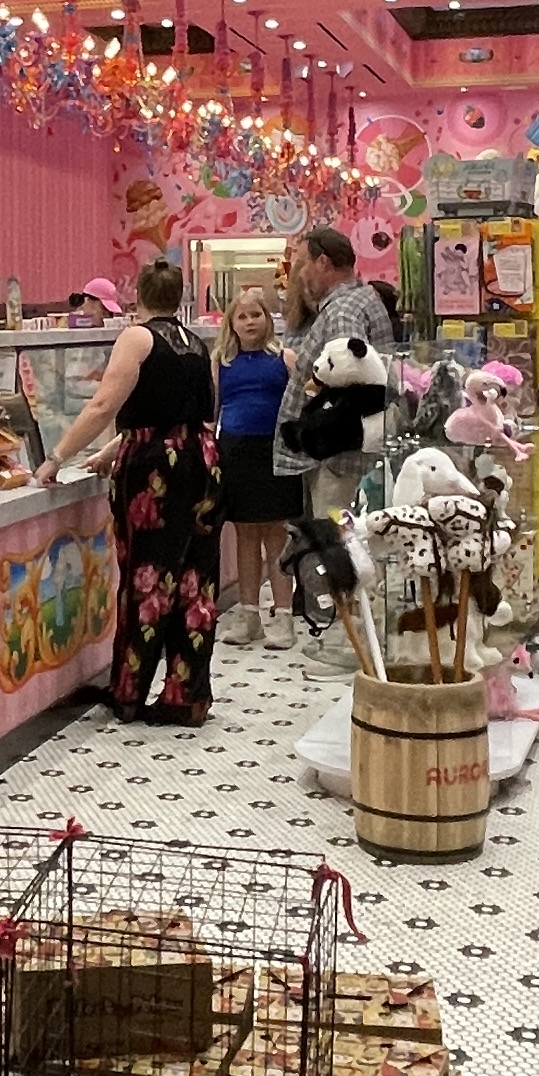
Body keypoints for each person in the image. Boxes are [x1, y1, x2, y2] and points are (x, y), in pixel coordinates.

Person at [47, 257, 221, 722]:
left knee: (147, 577)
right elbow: (188, 413)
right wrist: (115, 447)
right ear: (180, 297)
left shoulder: (137, 337)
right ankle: (188, 695)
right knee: (196, 581)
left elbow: (104, 404)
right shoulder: (196, 343)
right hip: (202, 460)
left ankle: (128, 692)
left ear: (138, 295)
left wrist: (56, 456)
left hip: (156, 470)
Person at [275, 223, 398, 659]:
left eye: (303, 262)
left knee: (337, 541)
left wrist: (318, 425)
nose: (300, 273)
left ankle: (349, 637)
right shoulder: (357, 300)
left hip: (339, 453)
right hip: (347, 449)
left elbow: (347, 381)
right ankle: (353, 630)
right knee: (343, 536)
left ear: (323, 262)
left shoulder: (343, 309)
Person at [213, 285, 298, 647]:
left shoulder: (285, 358)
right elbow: (212, 411)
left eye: (256, 315)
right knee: (245, 535)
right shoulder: (221, 362)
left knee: (277, 534)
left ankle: (284, 617)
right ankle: (249, 615)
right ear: (231, 323)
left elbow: (302, 406)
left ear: (268, 319)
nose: (250, 322)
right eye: (242, 316)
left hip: (276, 452)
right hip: (235, 452)